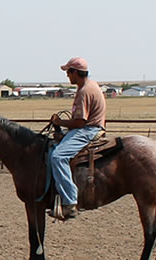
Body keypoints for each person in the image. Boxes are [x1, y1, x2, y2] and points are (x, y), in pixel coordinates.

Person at [49, 57, 107, 220]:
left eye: (68, 72)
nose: (67, 75)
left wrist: (60, 122)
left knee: (58, 157)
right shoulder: (91, 85)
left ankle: (70, 201)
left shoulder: (84, 91)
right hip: (90, 127)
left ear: (75, 73)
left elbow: (80, 121)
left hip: (87, 130)